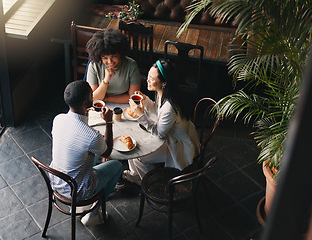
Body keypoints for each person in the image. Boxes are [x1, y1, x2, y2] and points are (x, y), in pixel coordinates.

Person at [50, 80, 123, 225]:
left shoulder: (58, 119)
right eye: (91, 94)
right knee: (117, 165)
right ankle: (95, 212)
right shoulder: (92, 137)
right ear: (85, 102)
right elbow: (107, 152)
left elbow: (77, 139)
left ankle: (84, 206)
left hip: (57, 180)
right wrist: (108, 122)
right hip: (78, 190)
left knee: (91, 153)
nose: (94, 97)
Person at [123, 59, 201, 184]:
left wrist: (141, 115)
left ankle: (152, 184)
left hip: (179, 145)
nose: (147, 80)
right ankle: (136, 175)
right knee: (133, 147)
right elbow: (157, 110)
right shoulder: (164, 93)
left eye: (152, 79)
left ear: (164, 82)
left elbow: (159, 133)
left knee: (139, 156)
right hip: (173, 137)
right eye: (148, 76)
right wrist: (145, 99)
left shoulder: (169, 106)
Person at [86, 28, 141, 103]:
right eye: (105, 58)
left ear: (120, 53)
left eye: (113, 56)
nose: (110, 61)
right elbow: (93, 98)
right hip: (98, 105)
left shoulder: (131, 65)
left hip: (123, 105)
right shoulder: (94, 65)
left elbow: (133, 98)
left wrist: (107, 98)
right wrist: (106, 80)